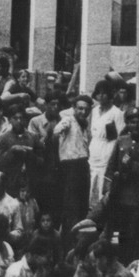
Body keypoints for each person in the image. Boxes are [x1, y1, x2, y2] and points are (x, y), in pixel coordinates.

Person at [55, 94, 93, 230]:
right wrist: (62, 128)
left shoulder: (85, 125)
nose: (83, 112)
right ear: (74, 109)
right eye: (80, 109)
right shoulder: (68, 120)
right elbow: (57, 130)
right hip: (70, 168)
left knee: (83, 206)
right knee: (71, 207)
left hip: (83, 166)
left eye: (86, 109)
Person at [89, 83, 126, 210]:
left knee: (102, 189)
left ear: (110, 95)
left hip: (107, 153)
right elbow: (90, 133)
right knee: (91, 188)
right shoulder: (94, 111)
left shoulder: (117, 113)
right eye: (98, 93)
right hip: (93, 153)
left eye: (104, 93)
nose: (101, 96)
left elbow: (121, 138)